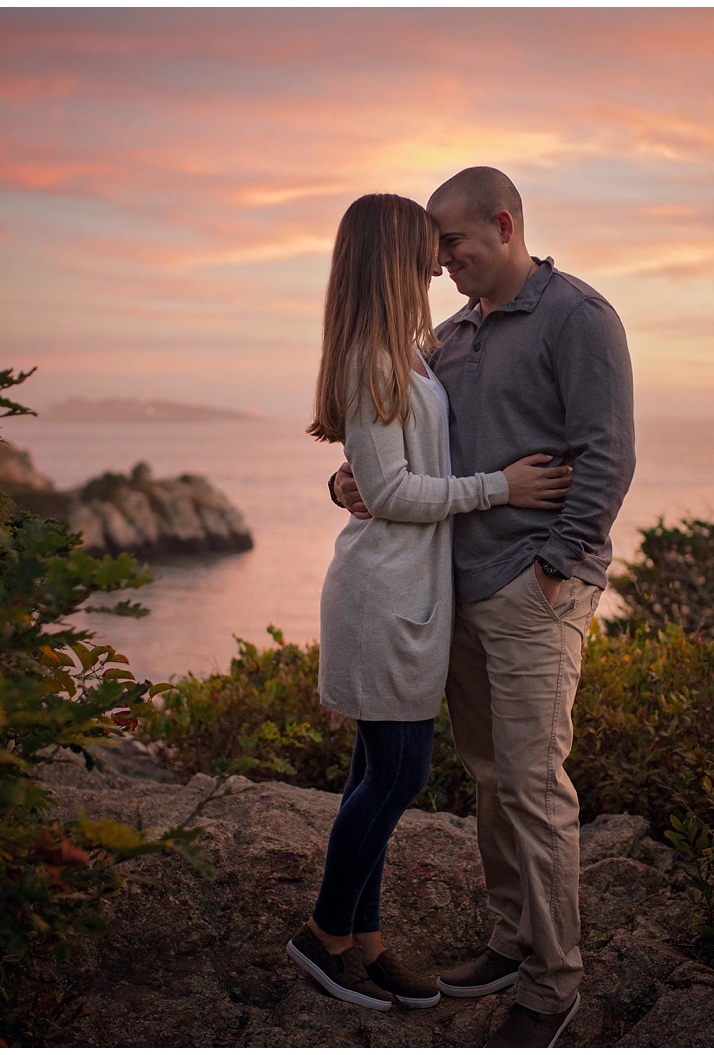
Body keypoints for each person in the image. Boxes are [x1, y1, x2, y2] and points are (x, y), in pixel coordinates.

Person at [331, 167, 635, 1046]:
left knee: (536, 784)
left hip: (533, 589)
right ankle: (512, 938)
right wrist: (349, 479)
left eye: (451, 243)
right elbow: (394, 441)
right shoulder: (451, 335)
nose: (439, 259)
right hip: (455, 591)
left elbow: (607, 456)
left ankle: (553, 979)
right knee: (492, 779)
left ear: (503, 226)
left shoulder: (579, 317)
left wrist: (555, 569)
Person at [287, 192, 575, 1013]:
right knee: (399, 773)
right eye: (427, 243)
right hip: (382, 597)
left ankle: (364, 941)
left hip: (410, 589)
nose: (439, 257)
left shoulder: (413, 348)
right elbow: (391, 487)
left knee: (371, 772)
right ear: (393, 254)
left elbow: (374, 477)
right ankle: (323, 935)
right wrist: (503, 487)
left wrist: (350, 481)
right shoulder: (373, 358)